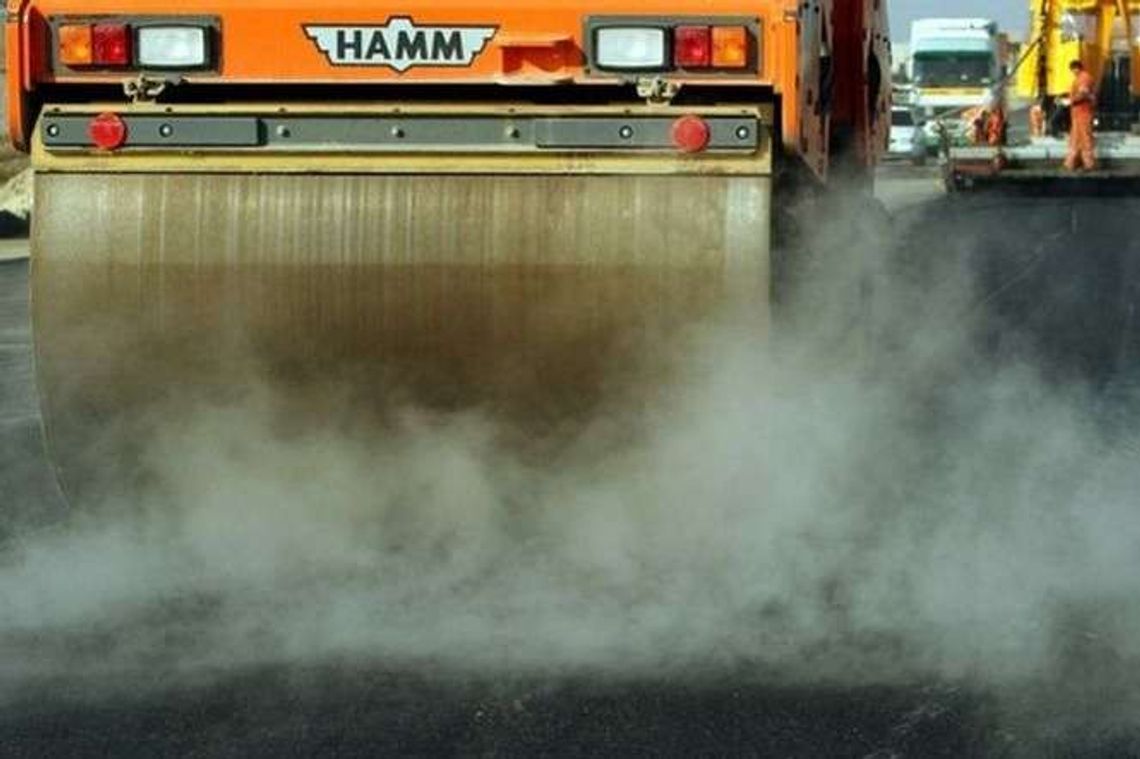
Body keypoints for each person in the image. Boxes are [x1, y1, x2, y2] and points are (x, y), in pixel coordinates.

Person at [1064, 59, 1097, 171]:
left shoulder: (1084, 78)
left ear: (1076, 68)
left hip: (1083, 113)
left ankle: (1087, 164)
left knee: (1084, 139)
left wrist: (1070, 101)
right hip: (1078, 113)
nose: (1072, 72)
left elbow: (1083, 93)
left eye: (1073, 70)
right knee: (1076, 139)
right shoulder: (1081, 78)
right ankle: (1074, 163)